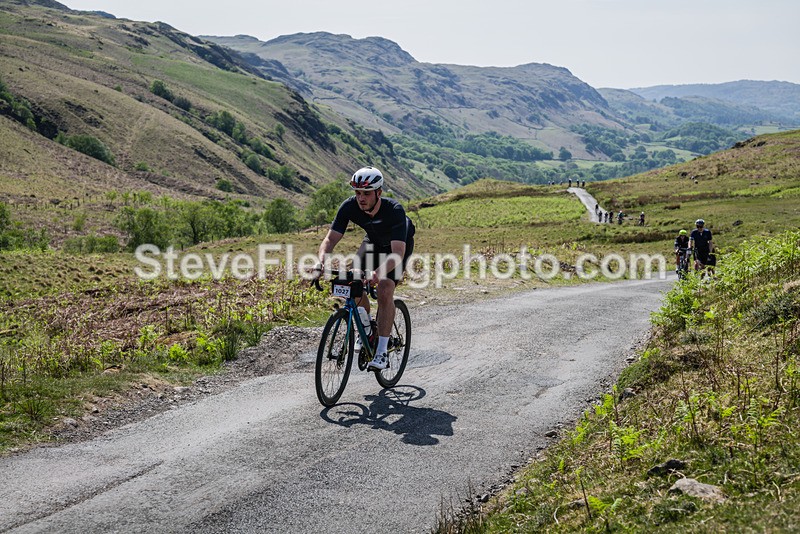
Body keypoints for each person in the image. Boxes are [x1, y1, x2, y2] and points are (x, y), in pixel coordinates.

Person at [313, 166, 416, 371]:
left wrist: (377, 274)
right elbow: (330, 239)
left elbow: (397, 254)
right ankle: (367, 329)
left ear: (379, 192)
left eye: (366, 193)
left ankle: (381, 353)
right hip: (372, 243)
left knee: (385, 288)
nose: (361, 198)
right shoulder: (349, 206)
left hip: (396, 248)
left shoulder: (394, 211)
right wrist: (321, 262)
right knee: (353, 282)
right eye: (357, 193)